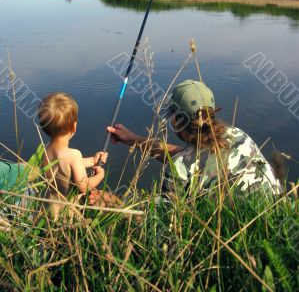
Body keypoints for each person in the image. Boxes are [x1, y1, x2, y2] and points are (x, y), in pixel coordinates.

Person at [107, 80, 281, 196]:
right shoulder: (238, 134)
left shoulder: (180, 168)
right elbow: (191, 157)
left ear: (175, 121)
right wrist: (133, 139)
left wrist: (113, 203)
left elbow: (159, 226)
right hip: (274, 217)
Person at [38, 92, 118, 217]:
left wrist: (92, 160)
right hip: (68, 211)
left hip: (50, 207)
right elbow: (83, 186)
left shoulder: (45, 149)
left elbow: (64, 166)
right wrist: (100, 175)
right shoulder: (74, 154)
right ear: (74, 126)